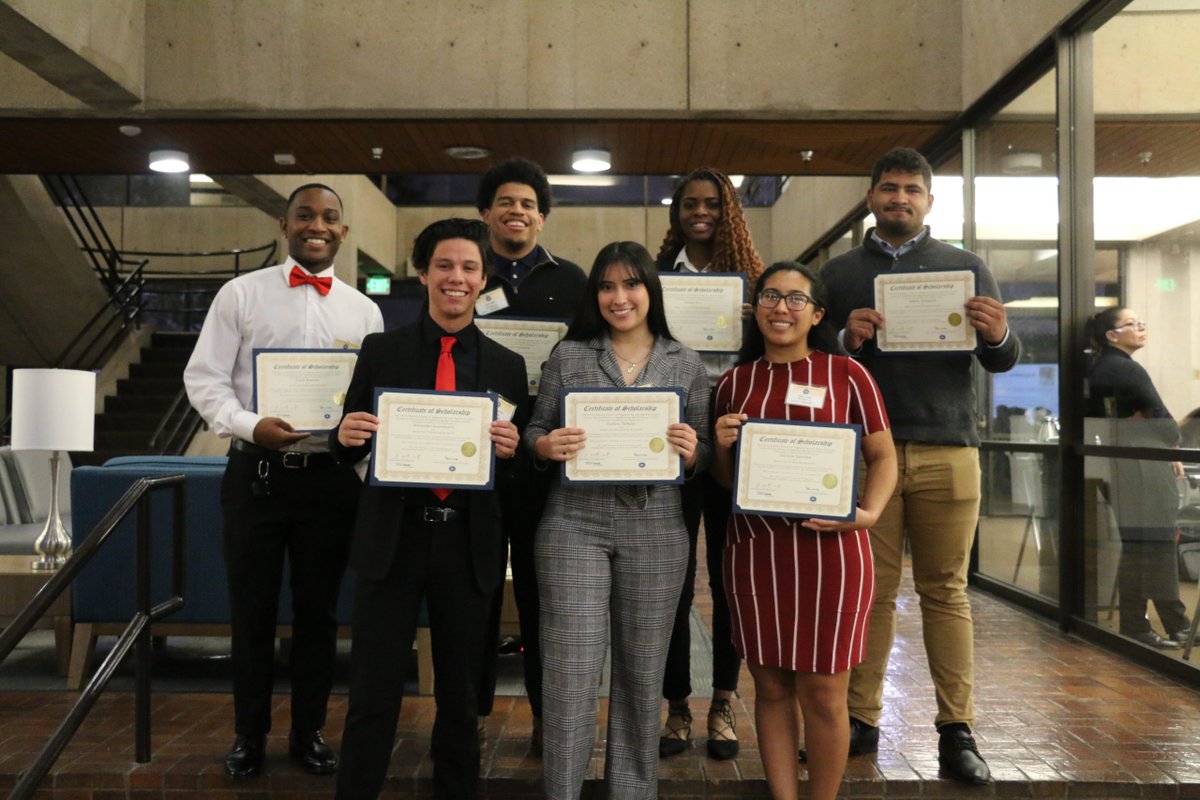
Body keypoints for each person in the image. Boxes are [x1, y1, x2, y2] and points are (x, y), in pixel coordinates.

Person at [820, 147, 1021, 785]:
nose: (899, 198)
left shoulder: (966, 267)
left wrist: (997, 334)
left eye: (911, 189)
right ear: (871, 198)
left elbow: (1003, 360)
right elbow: (816, 358)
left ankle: (956, 729)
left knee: (945, 592)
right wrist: (845, 339)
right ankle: (860, 718)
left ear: (930, 201)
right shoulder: (842, 272)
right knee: (870, 596)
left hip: (948, 448)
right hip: (865, 454)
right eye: (888, 188)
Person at [184, 183, 385, 779]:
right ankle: (249, 735)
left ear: (343, 232)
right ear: (284, 223)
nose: (316, 225)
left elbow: (369, 399)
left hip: (331, 480)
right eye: (305, 215)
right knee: (252, 611)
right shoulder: (240, 294)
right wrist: (250, 425)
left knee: (319, 614)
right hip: (258, 474)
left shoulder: (364, 310)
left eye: (329, 218)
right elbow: (205, 381)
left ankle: (309, 732)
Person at [330, 218, 528, 800]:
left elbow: (507, 472)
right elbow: (355, 446)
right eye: (444, 266)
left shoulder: (506, 365)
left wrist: (512, 453)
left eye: (469, 268)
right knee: (372, 694)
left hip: (468, 545)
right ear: (423, 274)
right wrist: (346, 436)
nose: (456, 278)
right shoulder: (381, 351)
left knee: (461, 699)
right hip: (392, 539)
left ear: (483, 278)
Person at [527, 241, 711, 799]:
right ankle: (562, 791)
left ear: (650, 291)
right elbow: (534, 430)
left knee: (641, 674)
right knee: (570, 672)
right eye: (607, 286)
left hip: (656, 525)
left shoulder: (686, 362)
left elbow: (703, 451)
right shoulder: (570, 355)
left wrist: (692, 449)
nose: (619, 297)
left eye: (631, 284)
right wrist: (545, 446)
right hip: (574, 524)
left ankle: (631, 791)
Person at [711, 261, 896, 800]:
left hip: (833, 553)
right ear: (757, 307)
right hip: (757, 552)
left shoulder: (848, 375)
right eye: (771, 296)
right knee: (768, 687)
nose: (781, 308)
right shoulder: (733, 382)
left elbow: (883, 458)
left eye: (796, 299)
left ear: (817, 315)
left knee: (822, 691)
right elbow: (726, 483)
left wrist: (868, 514)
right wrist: (721, 445)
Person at [473, 157, 588, 751]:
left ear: (541, 218)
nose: (516, 212)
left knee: (549, 597)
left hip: (546, 459)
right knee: (476, 590)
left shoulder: (573, 281)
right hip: (476, 458)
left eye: (528, 204)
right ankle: (468, 718)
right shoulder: (463, 271)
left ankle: (548, 719)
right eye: (506, 202)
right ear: (485, 212)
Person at [653, 166, 764, 760]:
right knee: (672, 579)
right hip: (668, 440)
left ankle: (722, 701)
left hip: (732, 445)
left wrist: (756, 325)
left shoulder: (752, 282)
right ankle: (675, 707)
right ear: (676, 214)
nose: (701, 213)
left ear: (730, 212)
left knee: (727, 582)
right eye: (690, 204)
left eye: (713, 204)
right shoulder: (656, 279)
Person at [1085, 307, 1191, 648]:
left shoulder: (1103, 368)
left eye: (1142, 321)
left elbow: (1148, 417)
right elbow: (1165, 423)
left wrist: (1146, 423)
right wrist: (1166, 438)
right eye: (1131, 323)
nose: (1140, 327)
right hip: (1142, 465)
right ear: (1111, 336)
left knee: (1144, 546)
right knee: (1152, 546)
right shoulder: (1125, 369)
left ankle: (1172, 623)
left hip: (1127, 463)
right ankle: (1146, 624)